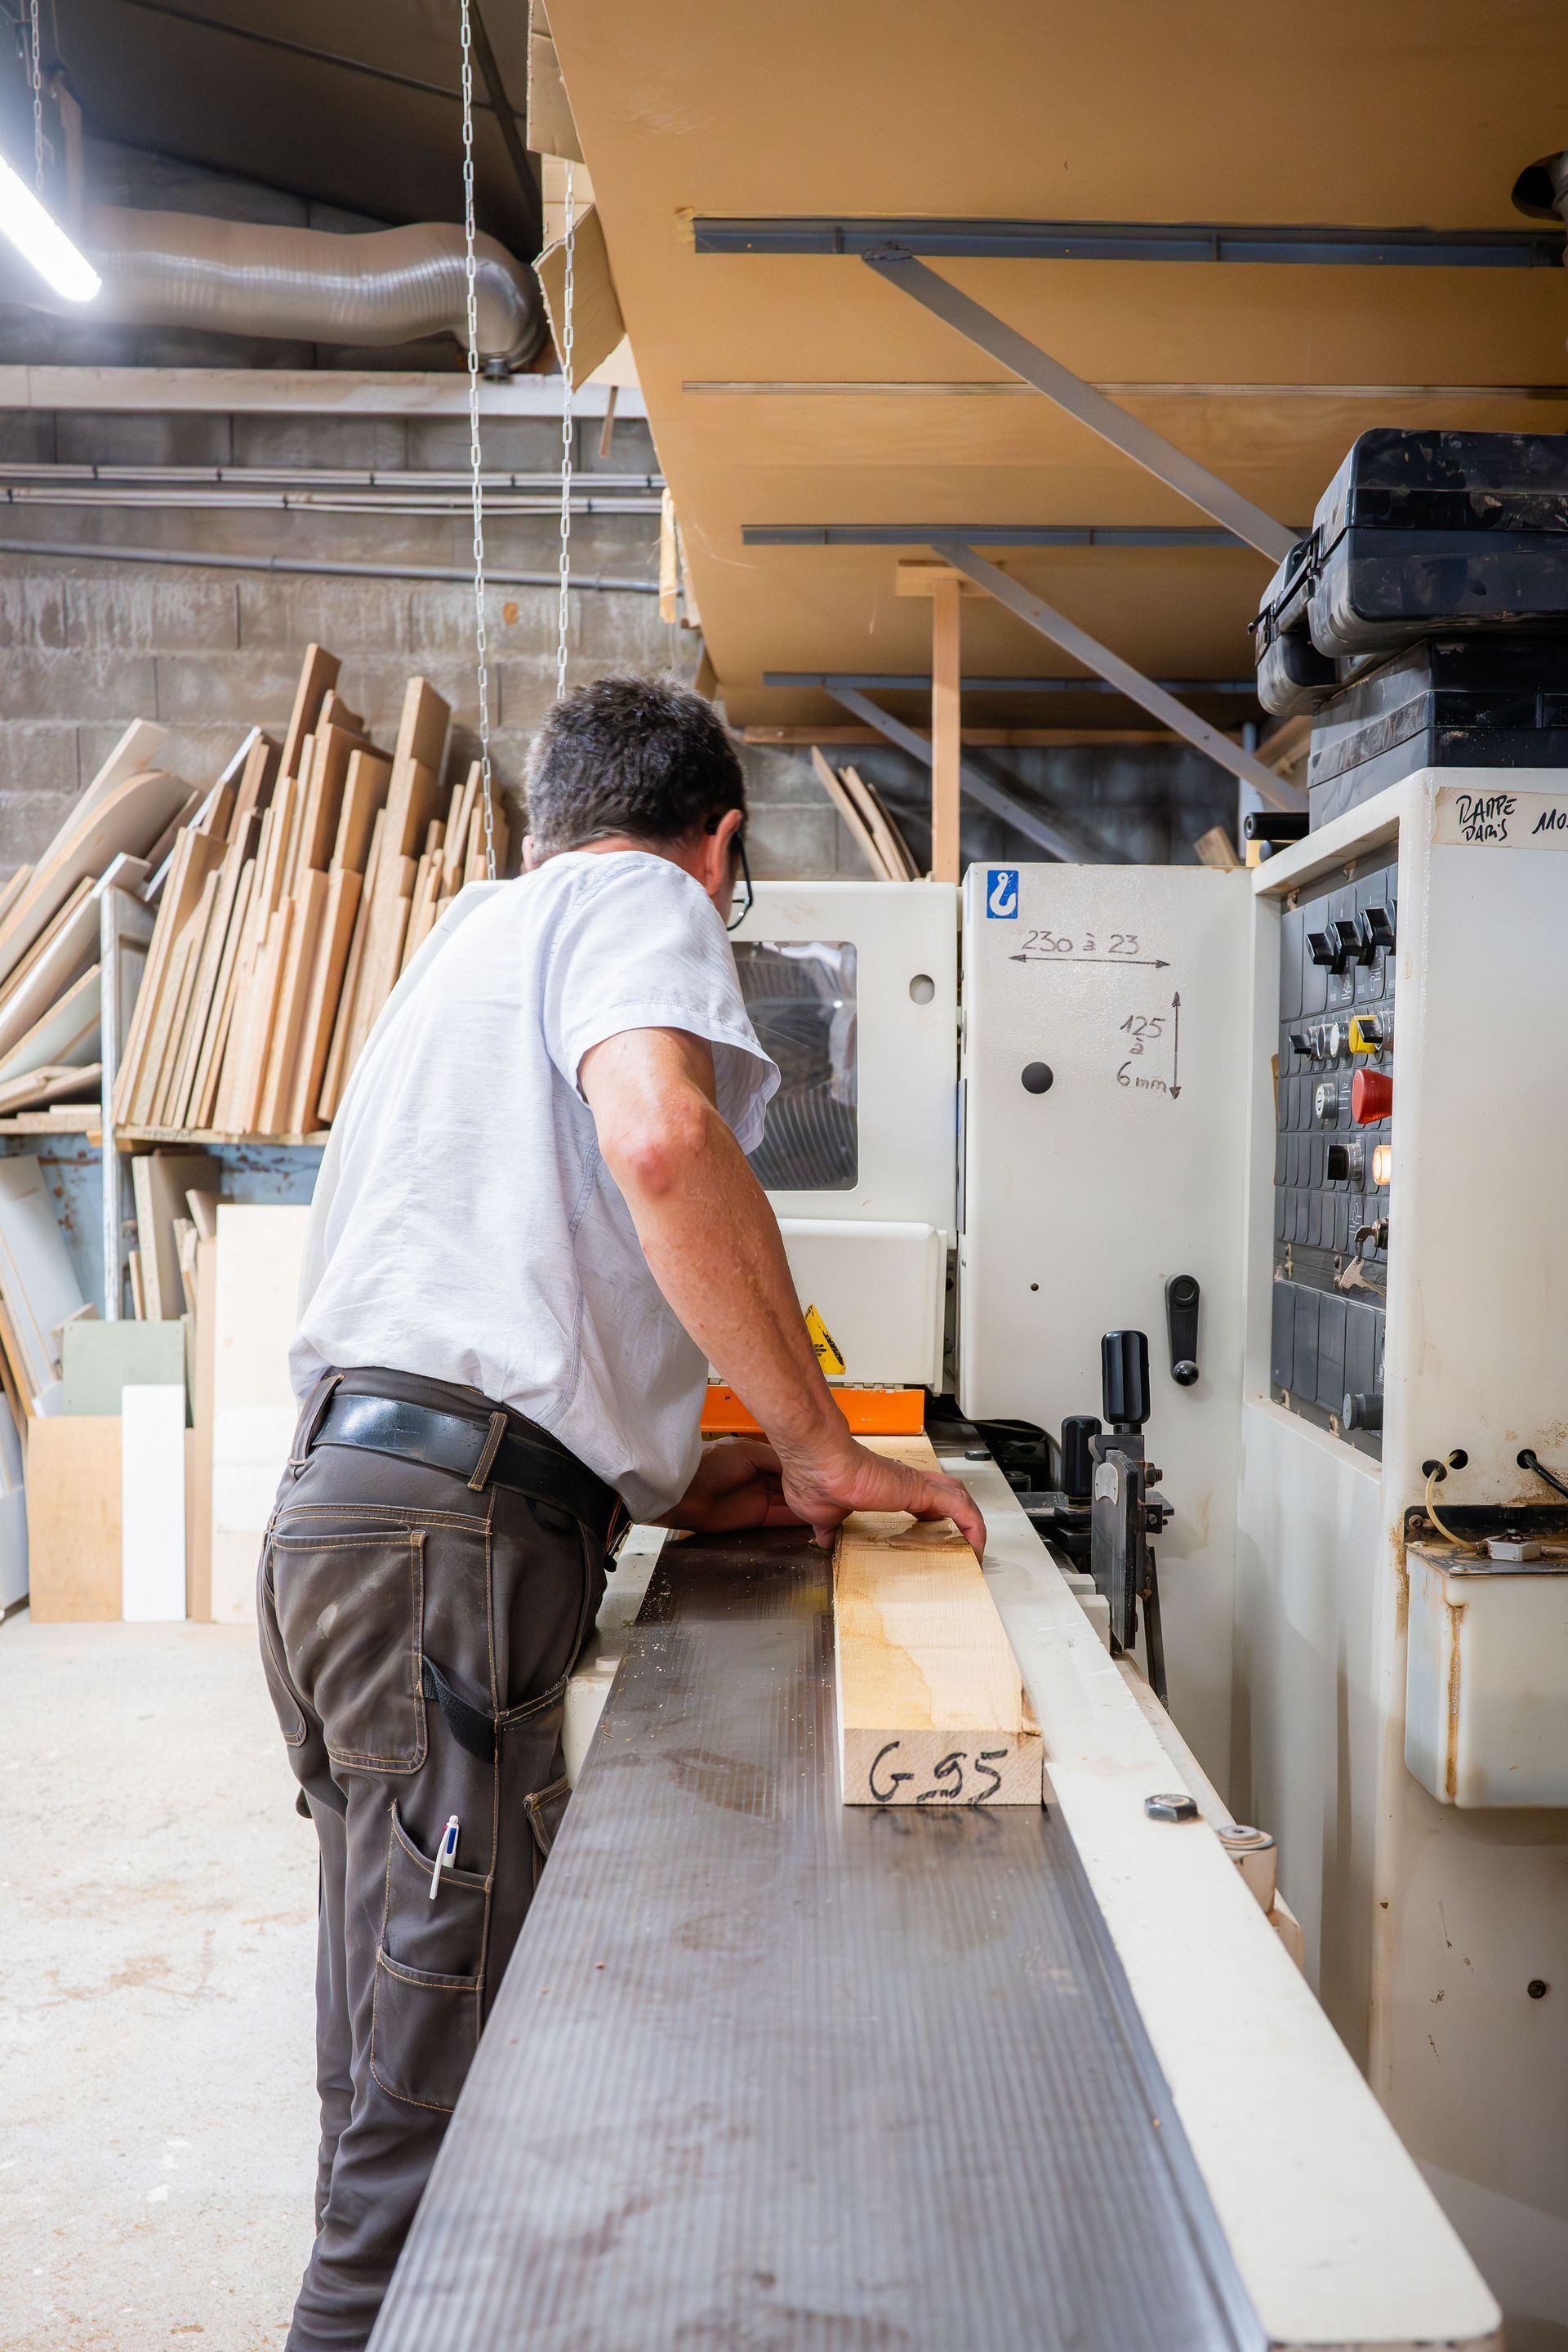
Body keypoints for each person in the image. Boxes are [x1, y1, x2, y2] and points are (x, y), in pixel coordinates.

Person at [256, 673, 987, 2351]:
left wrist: (670, 1474)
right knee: (442, 2077)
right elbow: (660, 1145)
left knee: (391, 2027)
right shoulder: (643, 896)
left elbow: (515, 1274)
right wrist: (816, 1448)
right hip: (446, 1540)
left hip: (352, 1516)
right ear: (719, 848)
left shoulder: (470, 936)